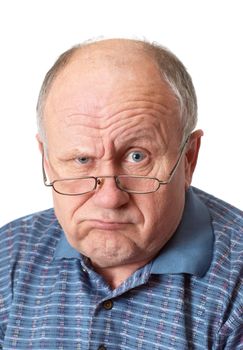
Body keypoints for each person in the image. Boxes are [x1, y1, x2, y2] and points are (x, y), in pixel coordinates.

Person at [0, 38, 242, 350]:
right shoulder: (8, 257)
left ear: (188, 159)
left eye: (137, 157)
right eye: (82, 160)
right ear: (46, 159)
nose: (110, 198)